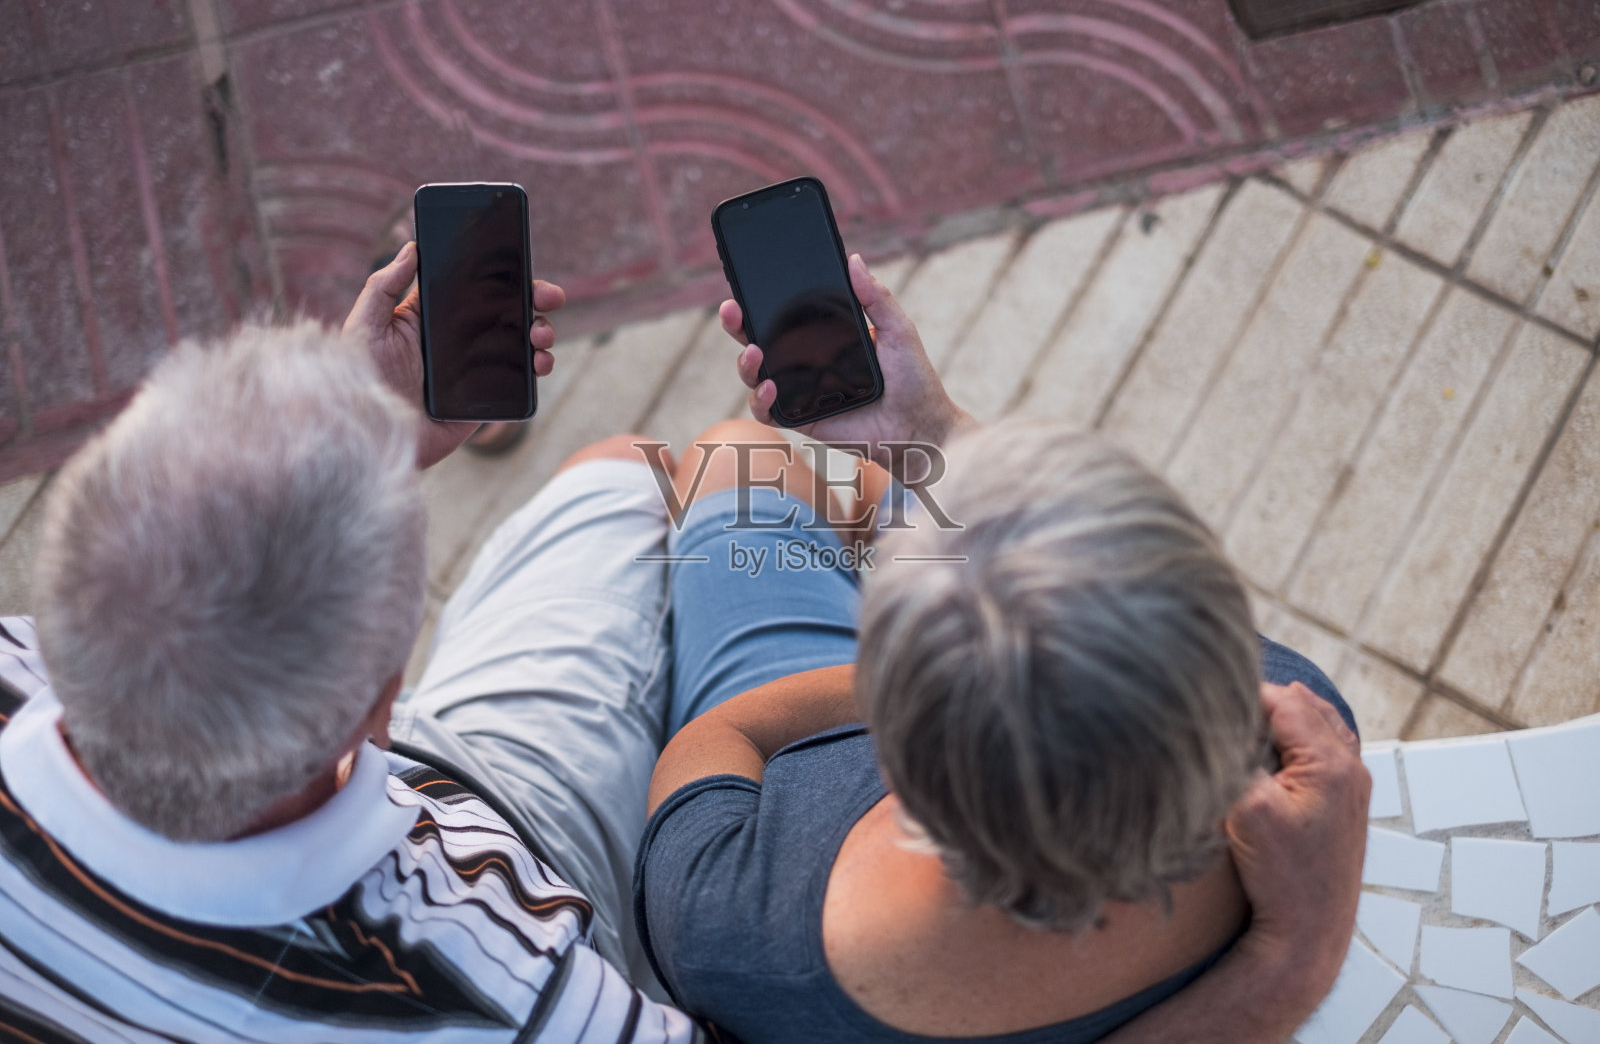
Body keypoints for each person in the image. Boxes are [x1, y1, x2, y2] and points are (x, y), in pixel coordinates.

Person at [632, 253, 1372, 1043]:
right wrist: (929, 430)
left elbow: (716, 739)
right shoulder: (1300, 737)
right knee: (889, 491)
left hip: (804, 723)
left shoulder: (743, 932)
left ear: (894, 756)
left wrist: (899, 683)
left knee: (736, 457)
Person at [0, 243, 704, 1041]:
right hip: (522, 834)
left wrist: (351, 437)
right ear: (380, 704)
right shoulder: (509, 991)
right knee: (640, 472)